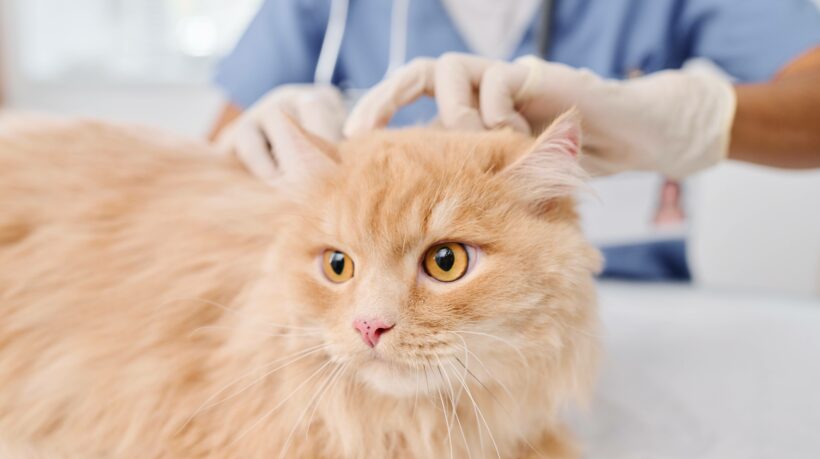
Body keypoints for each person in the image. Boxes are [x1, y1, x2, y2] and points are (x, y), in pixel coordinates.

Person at [210, 0, 820, 279]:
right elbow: (213, 164)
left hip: (631, 306)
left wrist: (684, 118)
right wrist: (245, 154)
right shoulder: (323, 9)